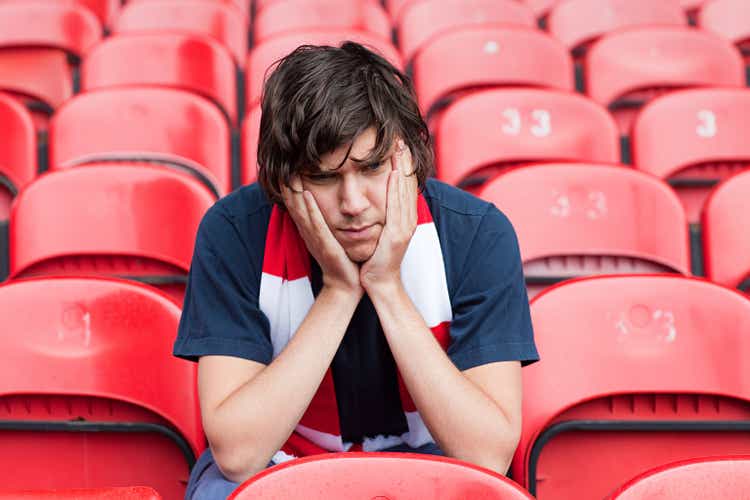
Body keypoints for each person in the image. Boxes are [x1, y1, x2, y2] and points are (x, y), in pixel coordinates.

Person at [173, 41, 539, 499]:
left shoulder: (478, 234)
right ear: (284, 181)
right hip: (276, 467)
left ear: (408, 159)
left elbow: (486, 457)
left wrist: (386, 287)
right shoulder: (234, 232)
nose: (353, 204)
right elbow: (238, 455)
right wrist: (339, 292)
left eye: (372, 169)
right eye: (323, 178)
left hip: (433, 469)